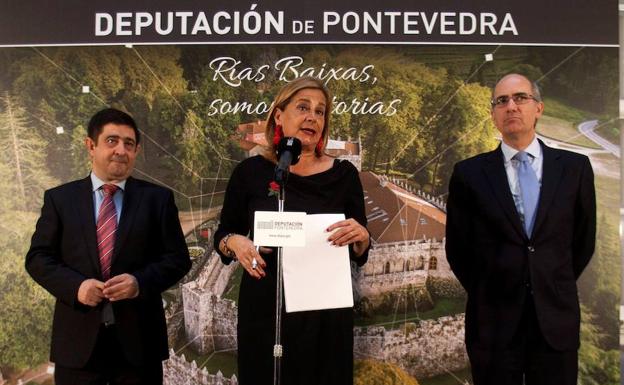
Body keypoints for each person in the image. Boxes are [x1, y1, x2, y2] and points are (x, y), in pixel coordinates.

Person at [214, 76, 370, 385]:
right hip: (266, 312)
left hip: (325, 315)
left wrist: (361, 237)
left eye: (321, 111)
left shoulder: (345, 175)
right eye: (303, 107)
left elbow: (361, 251)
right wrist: (236, 243)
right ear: (278, 116)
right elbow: (223, 235)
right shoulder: (249, 173)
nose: (313, 116)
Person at [445, 73, 596, 385]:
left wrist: (548, 279)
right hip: (493, 326)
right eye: (502, 101)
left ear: (538, 107)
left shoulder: (575, 169)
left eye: (520, 98)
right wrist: (492, 289)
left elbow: (582, 243)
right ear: (494, 115)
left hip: (555, 323)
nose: (510, 106)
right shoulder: (469, 174)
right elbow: (458, 250)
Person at [25, 108, 191, 385]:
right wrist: (77, 287)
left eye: (129, 144)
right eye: (111, 141)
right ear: (90, 146)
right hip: (77, 348)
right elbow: (38, 258)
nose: (121, 150)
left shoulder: (158, 200)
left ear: (137, 150)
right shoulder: (59, 200)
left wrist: (139, 282)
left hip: (139, 348)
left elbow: (177, 259)